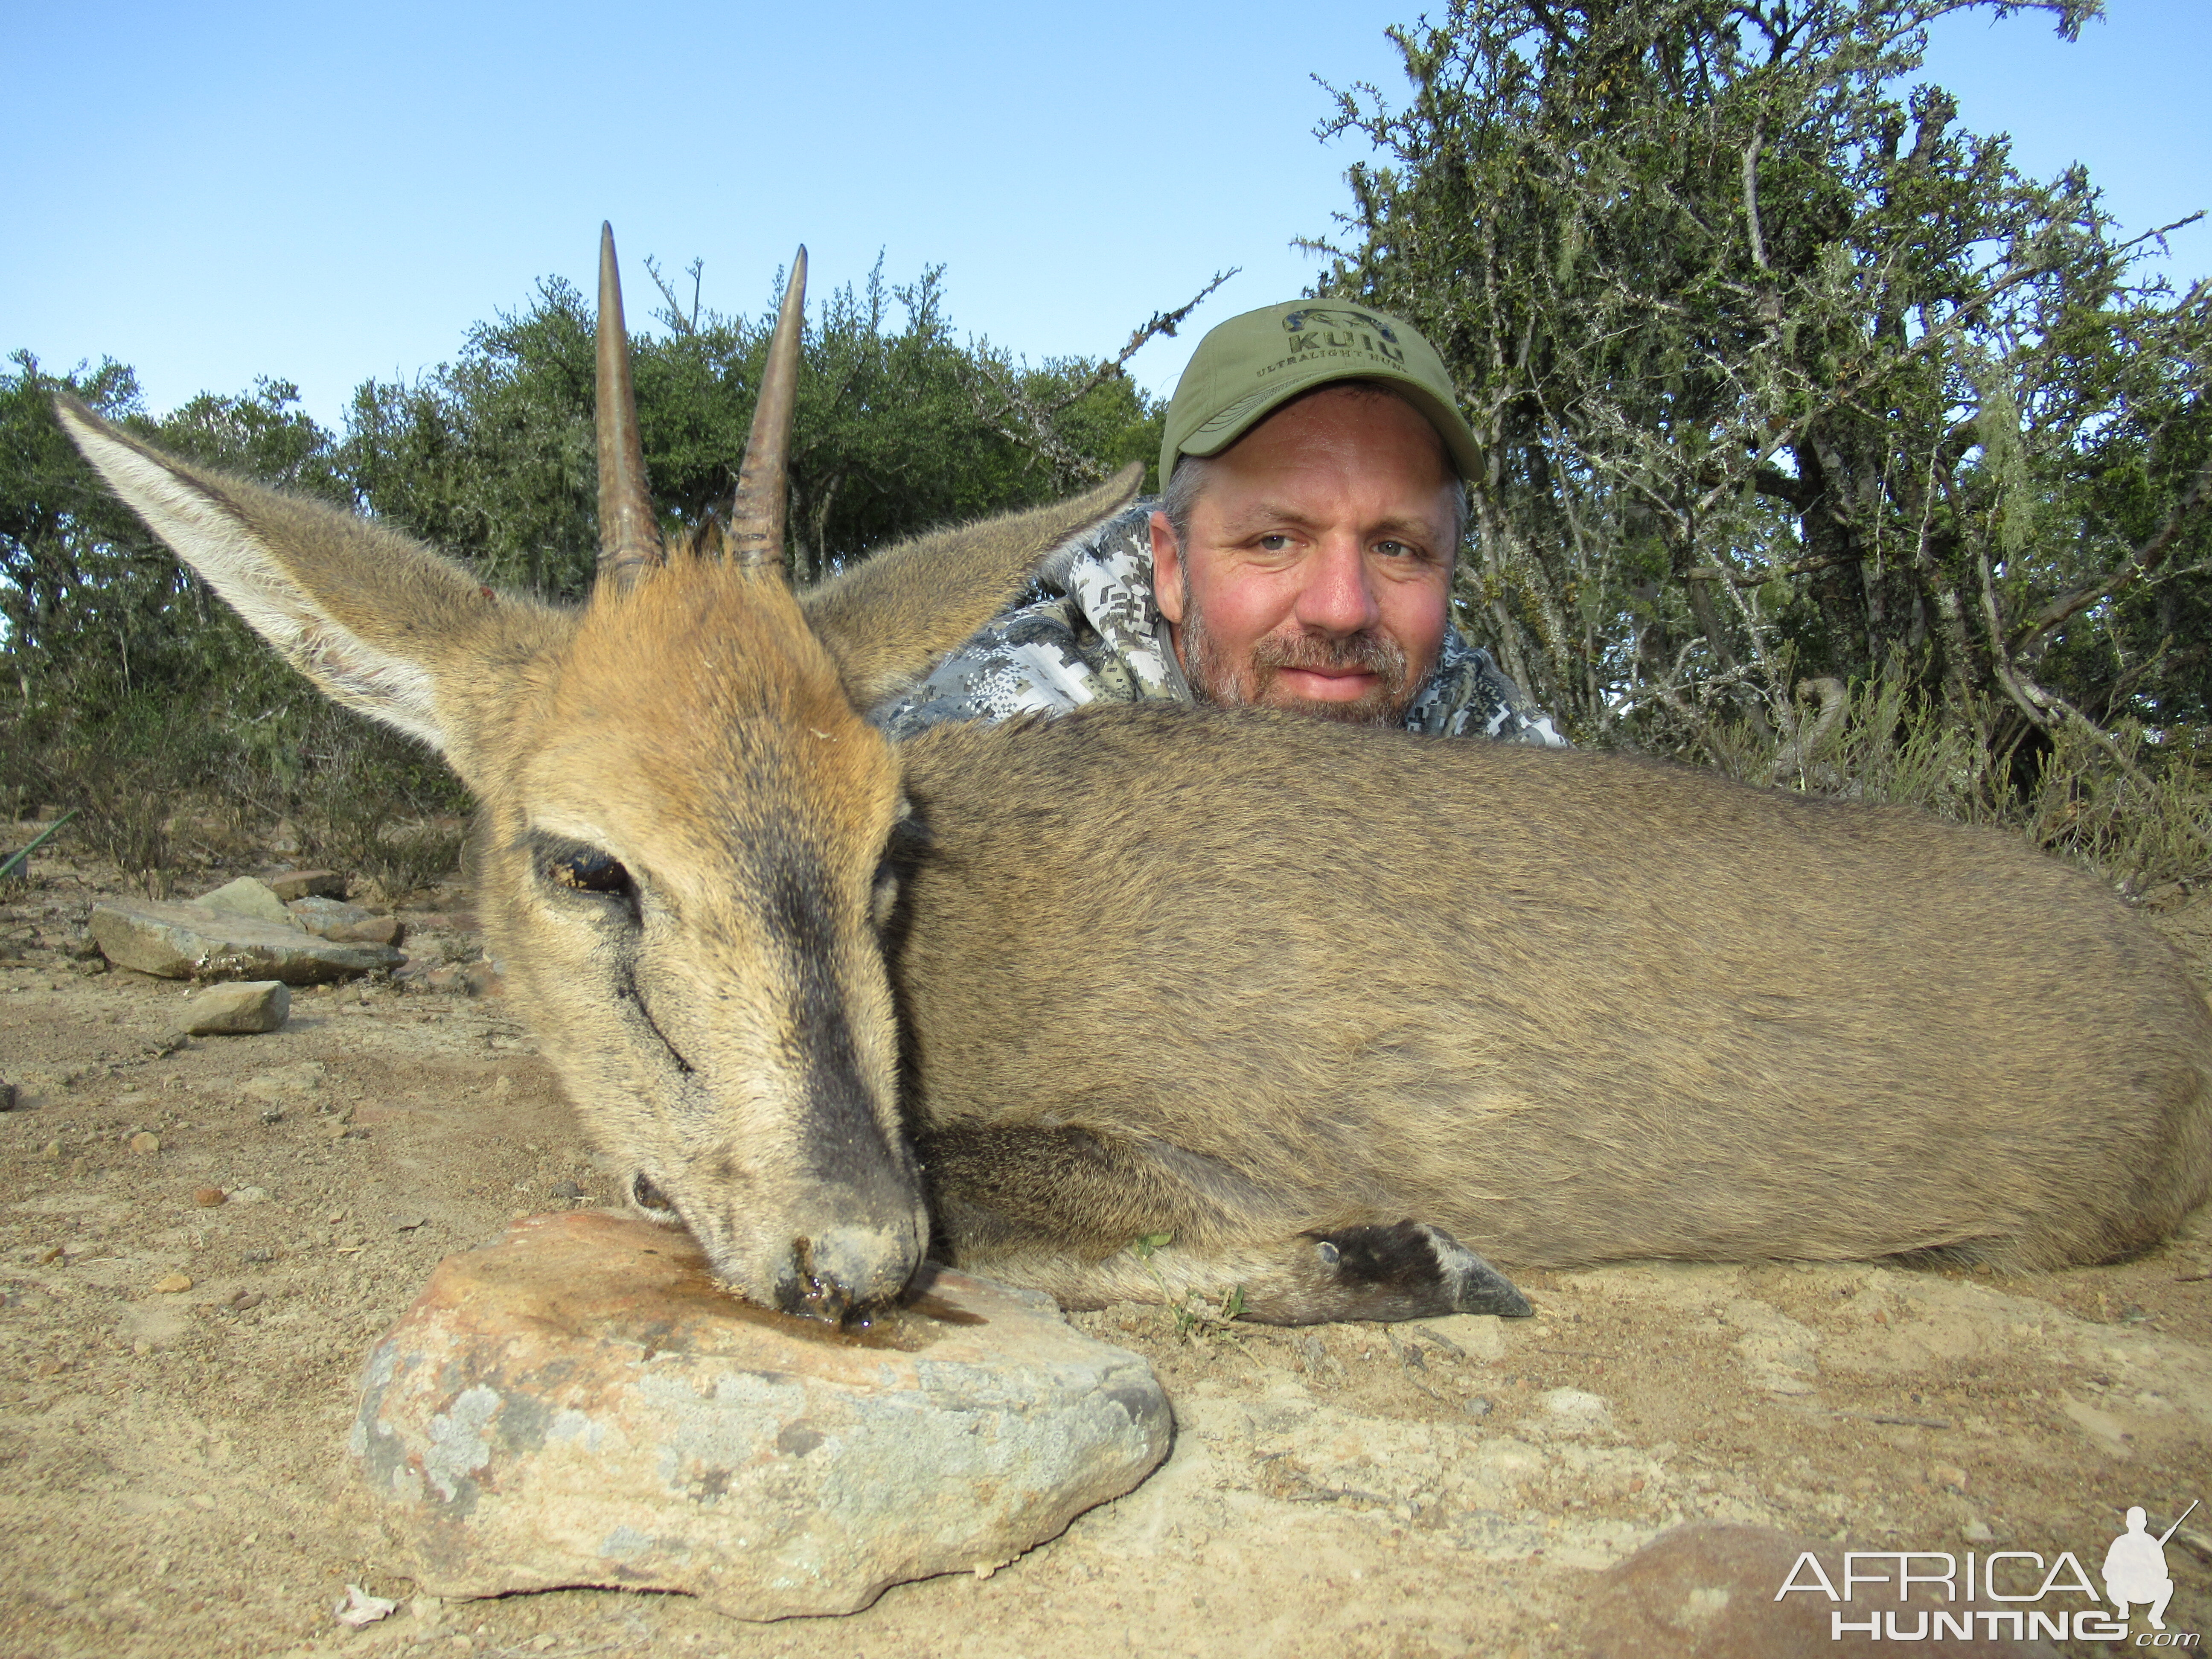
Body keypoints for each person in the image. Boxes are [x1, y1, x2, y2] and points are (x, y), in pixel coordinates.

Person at [870, 300, 1568, 745]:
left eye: (1397, 548)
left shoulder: (1486, 733)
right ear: (1171, 570)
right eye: (1275, 541)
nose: (1342, 609)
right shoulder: (1003, 726)